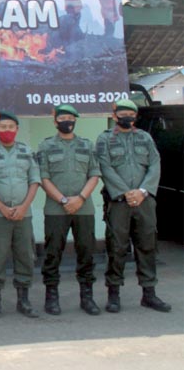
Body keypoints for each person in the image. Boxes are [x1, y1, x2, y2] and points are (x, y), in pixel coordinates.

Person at [96, 99, 170, 313]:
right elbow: (105, 166)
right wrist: (126, 193)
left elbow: (155, 164)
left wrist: (142, 191)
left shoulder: (145, 138)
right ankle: (113, 294)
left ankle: (149, 294)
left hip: (144, 201)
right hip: (119, 202)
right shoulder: (105, 139)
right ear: (115, 115)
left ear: (135, 116)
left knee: (147, 246)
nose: (127, 117)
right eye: (123, 113)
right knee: (116, 248)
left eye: (131, 113)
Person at [37, 104, 101, 315]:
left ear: (75, 121)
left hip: (84, 208)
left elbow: (94, 174)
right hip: (56, 209)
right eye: (62, 118)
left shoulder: (86, 144)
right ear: (55, 121)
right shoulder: (45, 146)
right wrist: (64, 200)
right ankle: (51, 297)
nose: (67, 121)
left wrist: (80, 198)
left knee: (86, 252)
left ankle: (87, 297)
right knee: (53, 253)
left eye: (70, 118)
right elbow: (43, 178)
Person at [0, 110, 40, 318]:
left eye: (10, 127)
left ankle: (23, 300)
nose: (7, 131)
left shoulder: (26, 151)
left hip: (24, 215)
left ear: (17, 129)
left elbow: (34, 181)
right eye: (3, 127)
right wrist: (2, 207)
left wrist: (24, 207)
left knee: (25, 256)